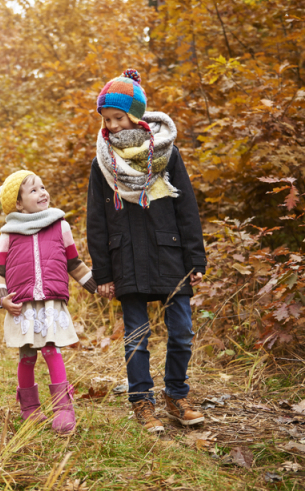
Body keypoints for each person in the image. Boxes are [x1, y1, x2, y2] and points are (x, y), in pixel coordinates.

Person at [86, 69, 207, 433]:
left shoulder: (166, 154)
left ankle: (176, 394)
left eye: (118, 118)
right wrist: (103, 273)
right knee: (136, 336)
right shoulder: (101, 163)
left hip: (169, 253)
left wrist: (196, 257)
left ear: (136, 115)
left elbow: (186, 208)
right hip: (127, 258)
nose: (113, 127)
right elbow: (97, 219)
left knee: (182, 331)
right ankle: (142, 401)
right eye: (107, 121)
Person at [0, 171, 97, 435]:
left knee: (52, 350)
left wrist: (98, 286)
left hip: (51, 303)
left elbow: (74, 263)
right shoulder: (9, 233)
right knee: (27, 355)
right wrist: (1, 298)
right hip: (21, 305)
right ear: (18, 203)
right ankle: (29, 409)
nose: (43, 193)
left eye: (43, 187)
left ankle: (63, 408)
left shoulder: (60, 226)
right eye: (34, 190)